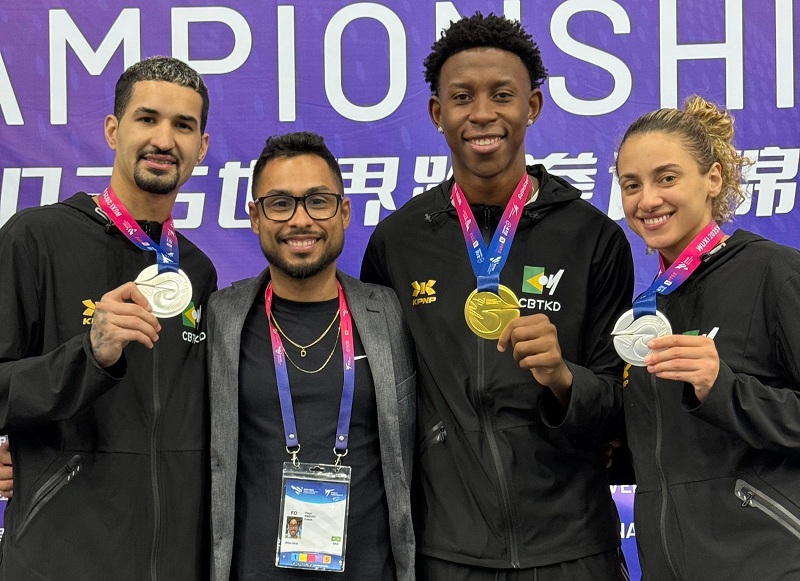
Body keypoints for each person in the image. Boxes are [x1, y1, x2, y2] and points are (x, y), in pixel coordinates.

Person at [361, 13, 634, 581]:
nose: (482, 114)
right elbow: (382, 396)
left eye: (502, 95)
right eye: (462, 97)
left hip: (573, 547)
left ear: (532, 106)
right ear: (438, 114)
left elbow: (619, 409)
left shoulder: (592, 238)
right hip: (446, 550)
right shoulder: (399, 241)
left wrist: (563, 378)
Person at [0, 56, 216, 580]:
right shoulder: (36, 239)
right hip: (62, 557)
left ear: (201, 147)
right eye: (148, 119)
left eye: (183, 125)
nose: (164, 139)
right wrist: (88, 353)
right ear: (113, 130)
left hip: (176, 562)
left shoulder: (198, 272)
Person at [568, 95, 799, 579]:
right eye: (631, 185)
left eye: (666, 178)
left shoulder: (773, 272)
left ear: (713, 178)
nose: (647, 200)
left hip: (765, 564)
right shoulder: (647, 308)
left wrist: (725, 388)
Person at [208, 131, 415, 581]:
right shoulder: (220, 317)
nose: (300, 220)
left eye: (318, 201)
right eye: (280, 203)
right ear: (255, 218)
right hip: (252, 569)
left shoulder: (390, 315)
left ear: (344, 212)